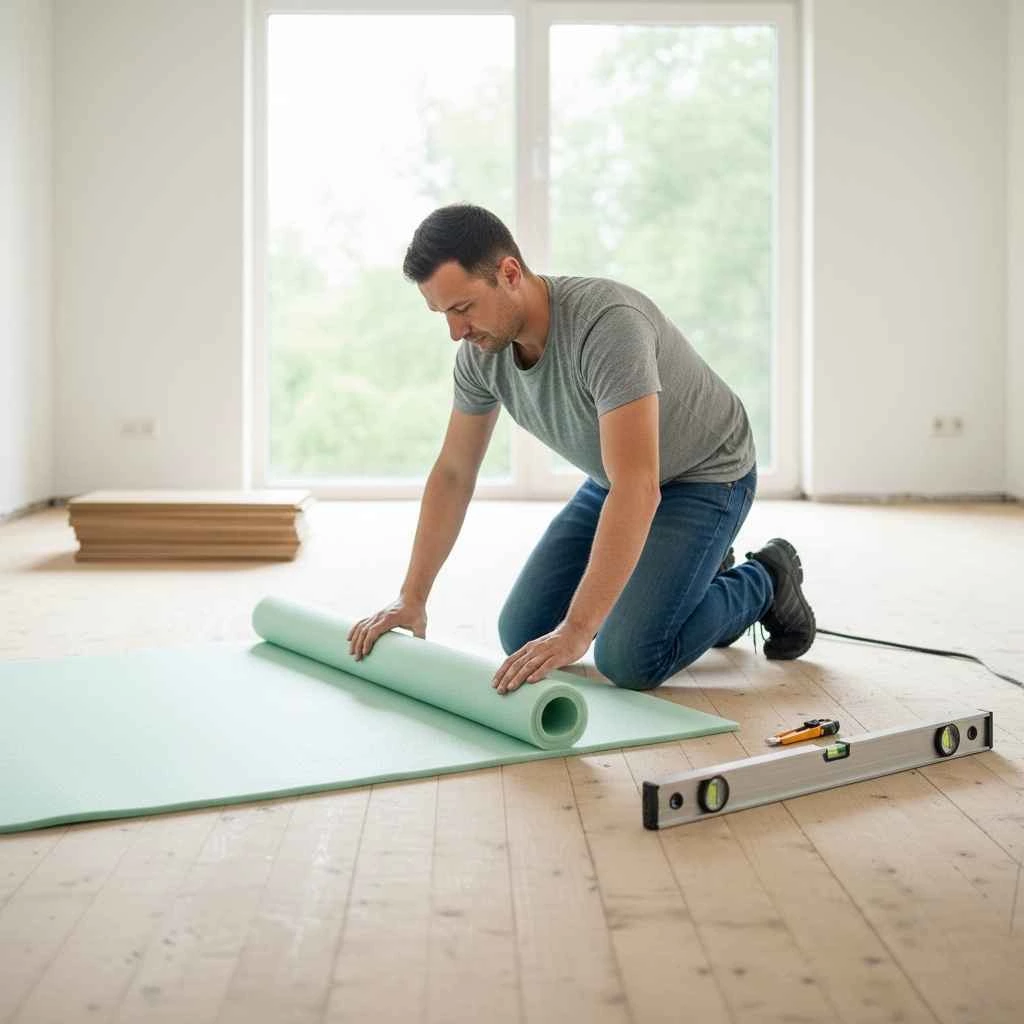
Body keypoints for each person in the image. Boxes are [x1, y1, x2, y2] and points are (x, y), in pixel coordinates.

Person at [347, 204, 815, 694]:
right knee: (522, 635)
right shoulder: (481, 355)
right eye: (442, 315)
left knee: (629, 657)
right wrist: (412, 597)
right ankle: (688, 573)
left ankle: (765, 579)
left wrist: (576, 631)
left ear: (509, 273)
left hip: (706, 475)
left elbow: (639, 486)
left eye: (462, 309)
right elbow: (454, 472)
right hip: (616, 478)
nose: (455, 332)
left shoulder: (607, 325)